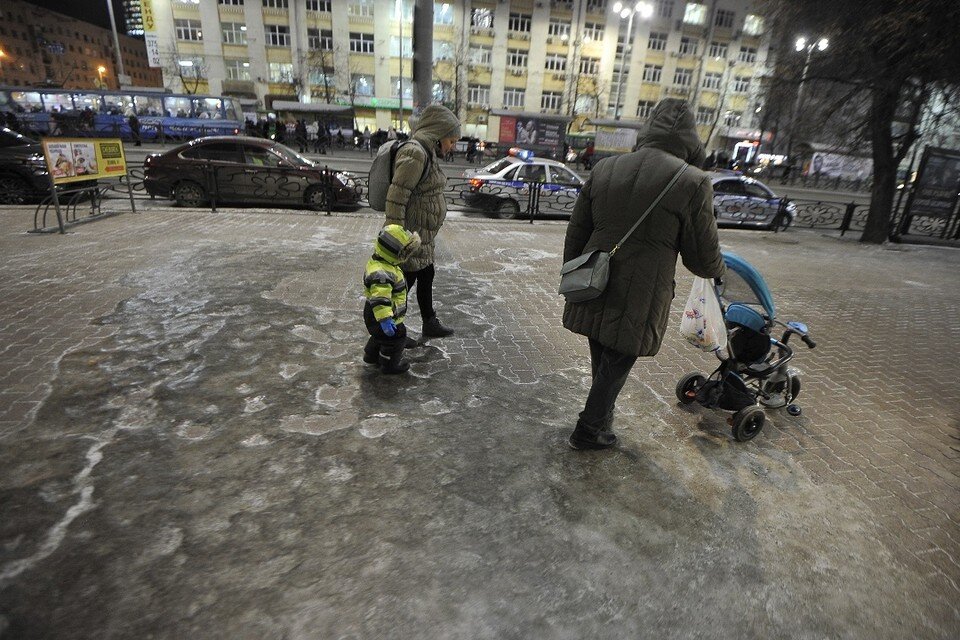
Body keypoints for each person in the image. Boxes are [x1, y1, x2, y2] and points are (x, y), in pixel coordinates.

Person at [561, 98, 725, 451]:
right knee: (616, 362)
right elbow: (702, 257)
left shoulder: (606, 168)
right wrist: (717, 271)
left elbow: (577, 230)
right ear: (689, 139)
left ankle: (600, 420)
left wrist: (572, 271)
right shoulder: (692, 181)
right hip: (641, 293)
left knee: (605, 355)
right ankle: (589, 430)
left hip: (594, 280)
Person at [384, 104, 462, 340]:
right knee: (402, 286)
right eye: (451, 141)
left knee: (426, 275)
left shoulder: (427, 152)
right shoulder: (415, 153)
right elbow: (397, 196)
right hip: (409, 236)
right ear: (438, 136)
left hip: (423, 235)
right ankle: (387, 333)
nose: (452, 147)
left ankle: (429, 322)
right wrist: (395, 236)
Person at [362, 225, 422, 374]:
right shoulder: (382, 273)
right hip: (383, 314)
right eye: (404, 253)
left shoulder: (384, 263)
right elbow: (380, 298)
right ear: (394, 252)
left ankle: (370, 355)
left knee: (379, 335)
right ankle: (389, 364)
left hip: (375, 313)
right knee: (396, 337)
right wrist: (385, 320)